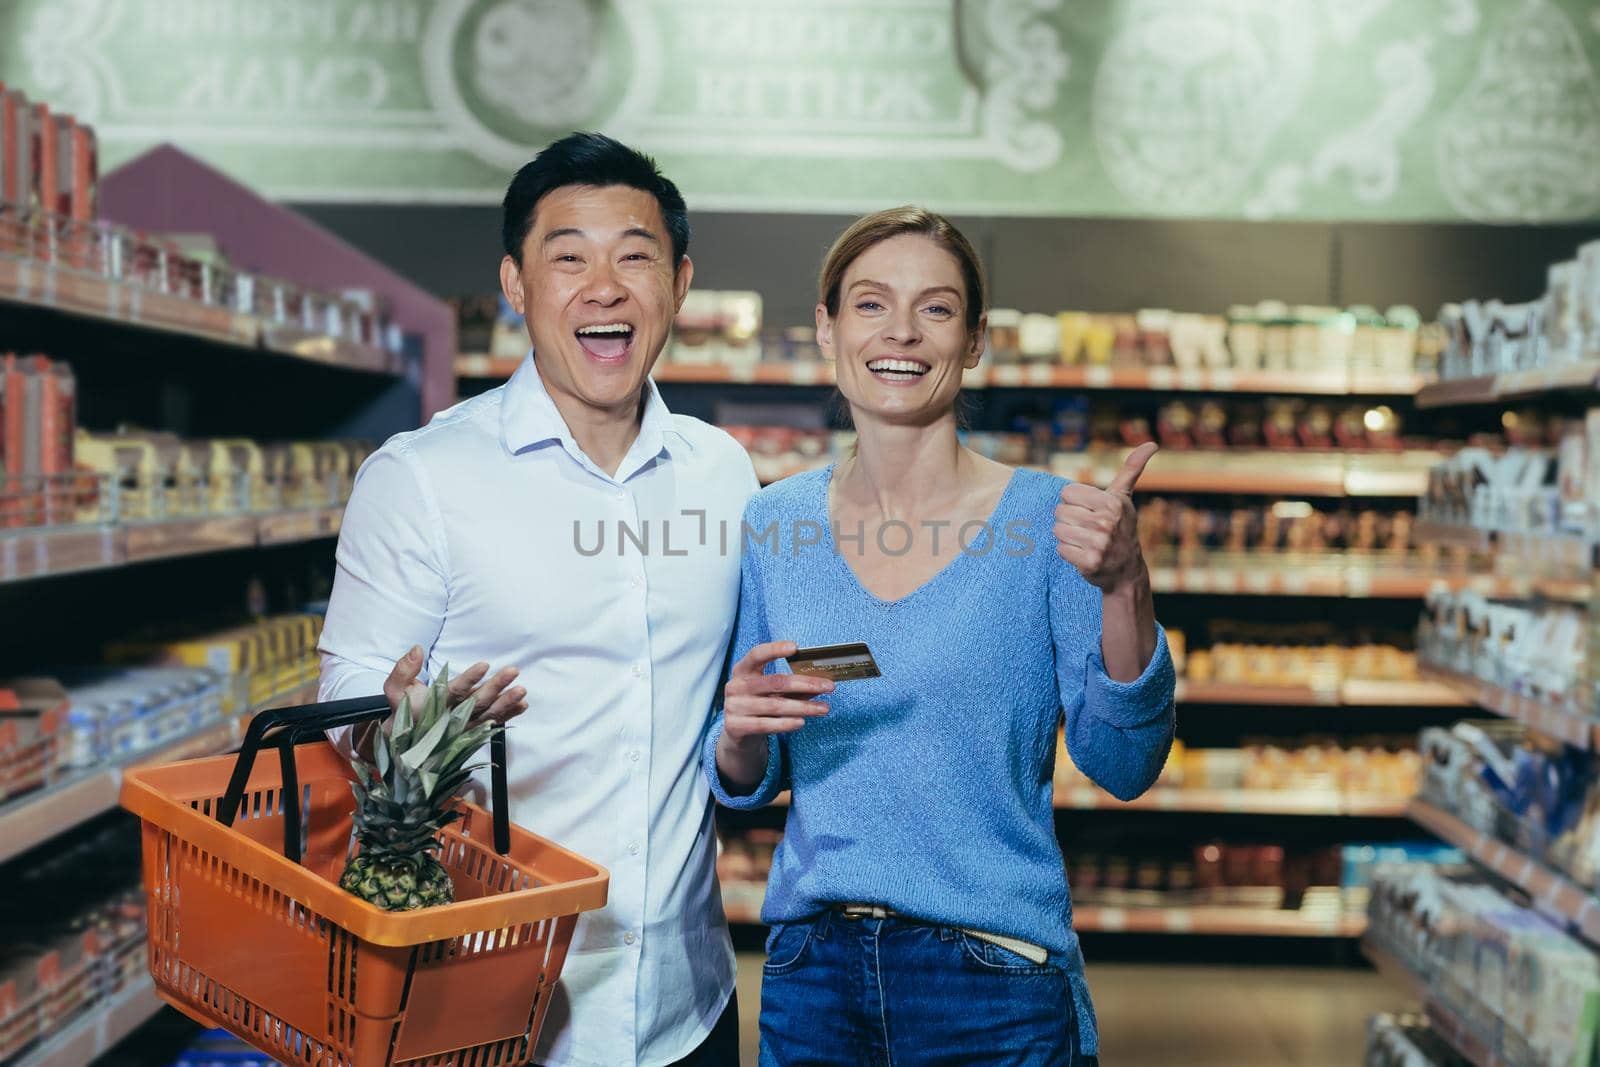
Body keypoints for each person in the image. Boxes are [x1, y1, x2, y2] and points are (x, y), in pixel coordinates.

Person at [318, 133, 757, 1067]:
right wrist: (388, 724)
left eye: (634, 254)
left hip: (688, 1004)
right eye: (569, 255)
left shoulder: (723, 474)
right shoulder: (422, 477)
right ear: (516, 284)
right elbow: (345, 689)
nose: (604, 284)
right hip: (483, 1010)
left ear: (679, 284)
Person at [703, 207, 1176, 1066]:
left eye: (936, 308)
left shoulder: (1048, 522)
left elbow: (1126, 762)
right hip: (814, 978)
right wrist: (737, 733)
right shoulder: (775, 523)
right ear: (827, 327)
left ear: (974, 341)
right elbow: (750, 775)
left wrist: (1123, 584)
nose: (902, 333)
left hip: (993, 979)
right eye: (872, 304)